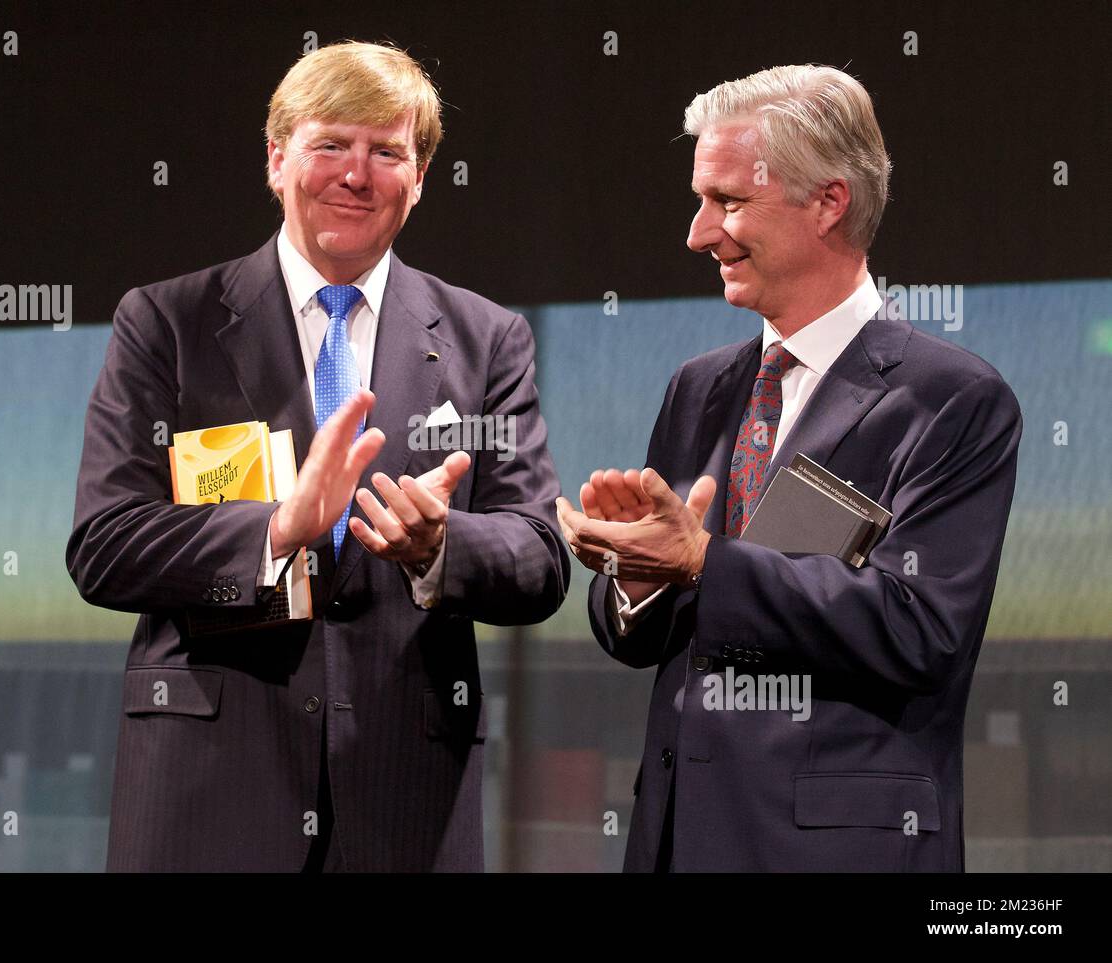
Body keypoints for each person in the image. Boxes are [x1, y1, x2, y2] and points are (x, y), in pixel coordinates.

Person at [67, 41, 568, 872]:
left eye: (387, 152)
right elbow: (105, 544)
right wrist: (275, 530)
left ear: (420, 176)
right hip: (209, 804)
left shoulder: (488, 339)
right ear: (277, 159)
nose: (357, 174)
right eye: (330, 144)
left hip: (407, 806)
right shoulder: (167, 324)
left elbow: (541, 556)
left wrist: (441, 546)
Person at [557, 65, 1021, 872]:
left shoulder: (953, 399)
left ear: (828, 202)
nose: (699, 234)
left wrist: (702, 560)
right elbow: (647, 637)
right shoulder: (699, 388)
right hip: (675, 841)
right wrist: (634, 577)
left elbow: (920, 628)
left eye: (728, 202)